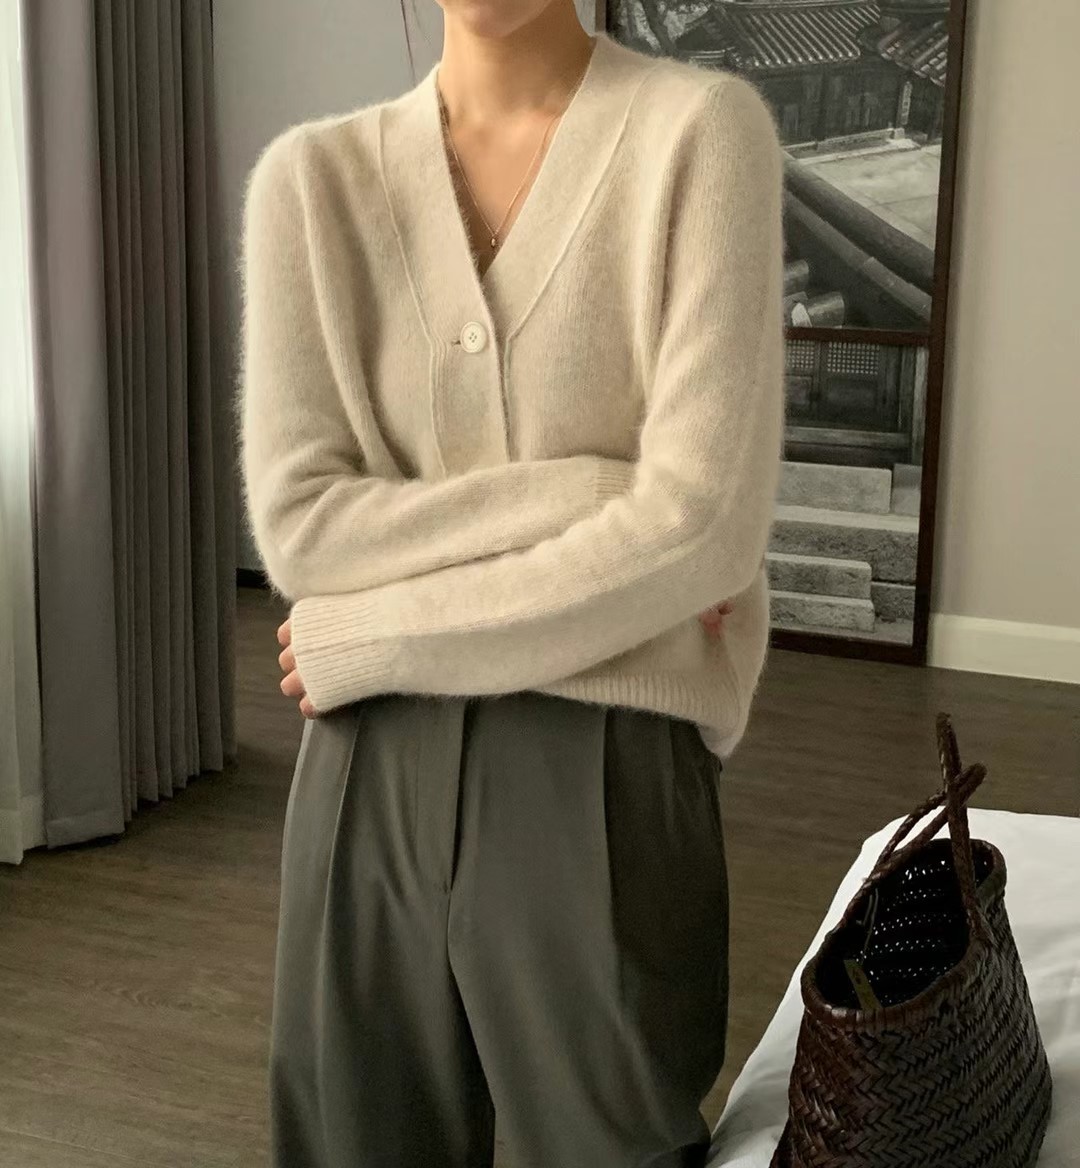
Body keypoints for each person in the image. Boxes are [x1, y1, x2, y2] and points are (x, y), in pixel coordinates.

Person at [237, 0, 784, 1164]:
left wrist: (369, 637)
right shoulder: (310, 184)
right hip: (366, 770)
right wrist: (600, 495)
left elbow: (701, 531)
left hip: (602, 762)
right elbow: (303, 531)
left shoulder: (699, 135)